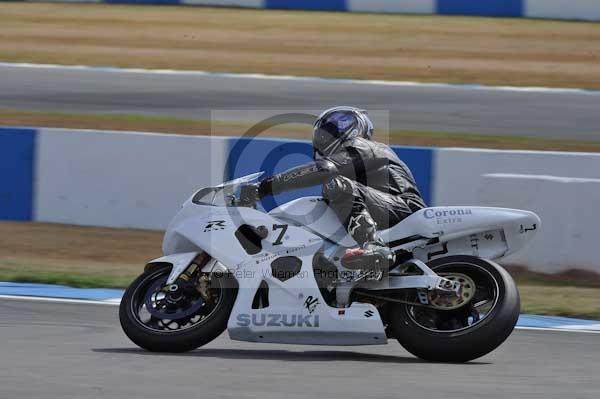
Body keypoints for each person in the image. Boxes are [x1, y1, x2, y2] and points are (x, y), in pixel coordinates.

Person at [251, 106, 426, 270]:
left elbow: (324, 169)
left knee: (335, 184)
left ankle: (374, 246)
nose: (325, 136)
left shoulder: (367, 147)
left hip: (404, 208)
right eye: (323, 132)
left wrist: (265, 186)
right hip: (385, 210)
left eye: (333, 130)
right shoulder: (352, 164)